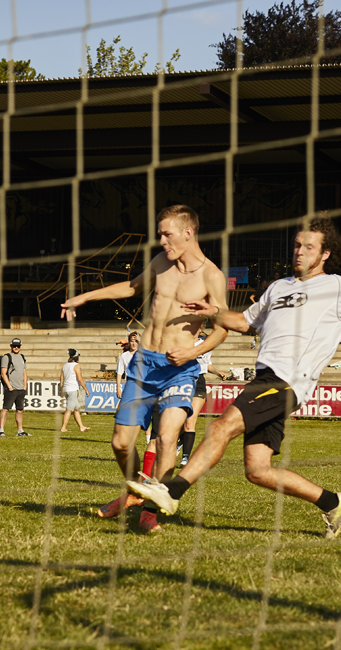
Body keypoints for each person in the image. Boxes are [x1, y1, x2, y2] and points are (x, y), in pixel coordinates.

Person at [128, 216, 341, 539]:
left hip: (287, 380)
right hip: (267, 378)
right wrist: (211, 312)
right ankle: (332, 502)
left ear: (325, 254)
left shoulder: (336, 287)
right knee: (258, 471)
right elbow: (245, 322)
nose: (299, 252)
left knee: (220, 426)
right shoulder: (278, 287)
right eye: (297, 245)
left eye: (308, 247)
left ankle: (172, 492)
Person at [61, 205, 228, 534]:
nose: (161, 239)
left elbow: (222, 328)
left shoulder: (211, 276)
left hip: (179, 368)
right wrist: (84, 297)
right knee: (121, 443)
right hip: (144, 365)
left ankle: (150, 510)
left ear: (187, 232)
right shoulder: (161, 262)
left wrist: (193, 351)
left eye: (167, 233)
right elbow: (133, 287)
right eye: (160, 233)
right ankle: (134, 490)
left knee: (167, 438)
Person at [179, 335, 229, 465]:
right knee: (179, 420)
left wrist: (218, 372)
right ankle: (179, 439)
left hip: (199, 382)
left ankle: (185, 457)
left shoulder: (205, 344)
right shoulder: (180, 340)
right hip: (182, 381)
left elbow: (208, 365)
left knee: (190, 420)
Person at [0, 338, 29, 437]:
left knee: (20, 409)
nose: (16, 348)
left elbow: (24, 372)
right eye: (14, 346)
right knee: (5, 409)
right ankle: (1, 430)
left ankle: (20, 430)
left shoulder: (22, 357)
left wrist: (25, 385)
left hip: (21, 388)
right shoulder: (7, 357)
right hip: (12, 388)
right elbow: (3, 373)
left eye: (18, 346)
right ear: (11, 346)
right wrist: (9, 386)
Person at [59, 348, 89, 433]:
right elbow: (80, 379)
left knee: (77, 409)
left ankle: (81, 427)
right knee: (69, 409)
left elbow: (61, 378)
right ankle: (63, 428)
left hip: (66, 389)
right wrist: (86, 389)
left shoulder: (65, 365)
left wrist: (61, 389)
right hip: (72, 389)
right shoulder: (77, 366)